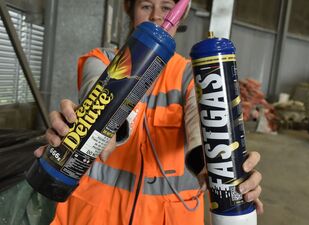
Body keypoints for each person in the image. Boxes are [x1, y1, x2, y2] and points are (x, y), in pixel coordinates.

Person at [34, 0, 263, 224]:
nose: (156, 15)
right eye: (146, 6)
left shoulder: (193, 75)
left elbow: (201, 125)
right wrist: (104, 128)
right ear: (130, 10)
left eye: (166, 7)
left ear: (180, 14)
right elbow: (95, 88)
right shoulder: (102, 59)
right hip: (94, 215)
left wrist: (223, 168)